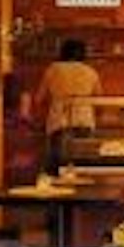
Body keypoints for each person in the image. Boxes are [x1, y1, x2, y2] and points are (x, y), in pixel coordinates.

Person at [35, 38, 101, 173]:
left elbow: (38, 99)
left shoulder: (53, 69)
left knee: (58, 164)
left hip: (58, 121)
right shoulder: (90, 71)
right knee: (83, 164)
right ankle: (82, 192)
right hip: (84, 121)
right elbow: (99, 99)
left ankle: (58, 192)